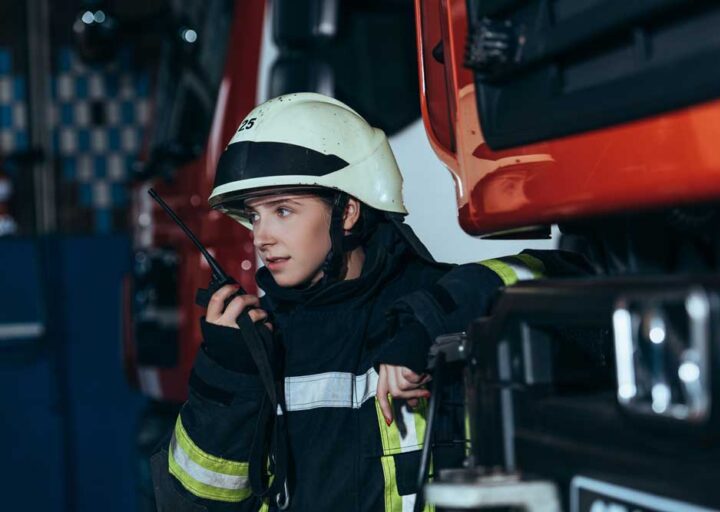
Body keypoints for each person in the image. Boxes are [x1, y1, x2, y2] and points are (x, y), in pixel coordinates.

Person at [150, 93, 589, 511]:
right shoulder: (259, 341)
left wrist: (426, 326)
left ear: (347, 212)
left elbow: (568, 275)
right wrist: (227, 376)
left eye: (283, 210)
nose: (262, 237)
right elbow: (193, 504)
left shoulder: (430, 302)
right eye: (255, 214)